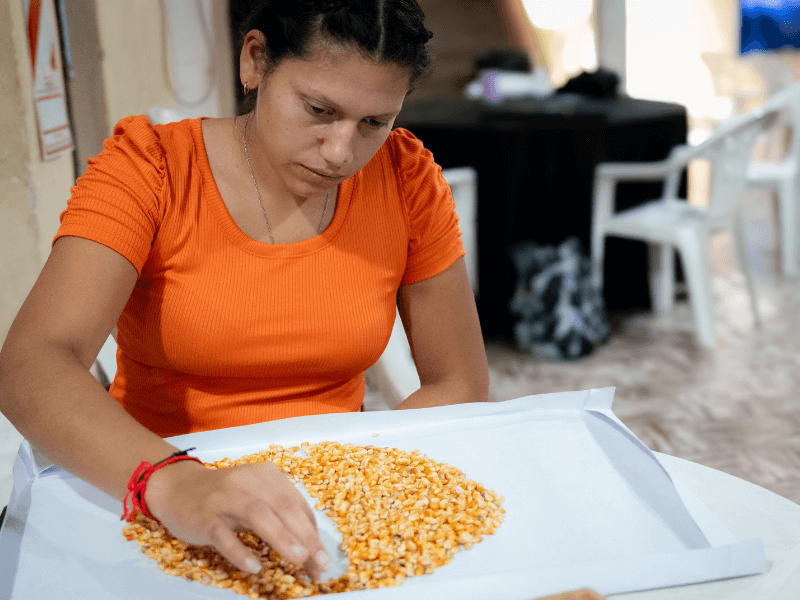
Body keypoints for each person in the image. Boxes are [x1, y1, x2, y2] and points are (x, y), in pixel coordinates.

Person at [0, 2, 602, 598]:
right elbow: (33, 364)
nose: (341, 152)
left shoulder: (404, 177)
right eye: (319, 110)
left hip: (336, 497)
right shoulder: (152, 168)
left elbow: (458, 378)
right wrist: (174, 482)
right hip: (163, 483)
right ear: (256, 60)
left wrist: (353, 477)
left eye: (374, 122)